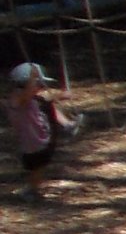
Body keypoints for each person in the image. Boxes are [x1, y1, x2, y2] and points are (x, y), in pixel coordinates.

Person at [7, 61, 76, 198]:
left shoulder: (33, 98)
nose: (39, 88)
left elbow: (47, 98)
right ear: (23, 85)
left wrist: (60, 95)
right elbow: (26, 94)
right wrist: (33, 76)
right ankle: (30, 190)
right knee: (36, 169)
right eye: (36, 84)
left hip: (42, 139)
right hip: (32, 144)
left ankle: (67, 125)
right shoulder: (17, 100)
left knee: (47, 104)